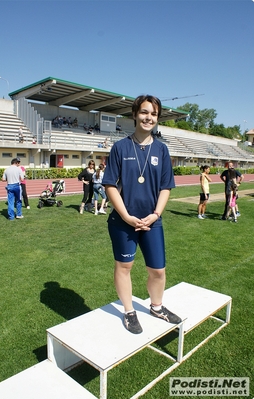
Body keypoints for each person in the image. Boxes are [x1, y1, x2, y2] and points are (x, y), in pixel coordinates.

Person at [102, 94, 182, 334]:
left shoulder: (162, 149)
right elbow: (109, 185)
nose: (149, 117)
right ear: (135, 114)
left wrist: (156, 214)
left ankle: (156, 307)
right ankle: (129, 311)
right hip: (123, 222)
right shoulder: (120, 147)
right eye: (145, 112)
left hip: (151, 221)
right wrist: (126, 216)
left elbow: (166, 186)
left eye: (154, 114)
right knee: (124, 267)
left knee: (158, 270)